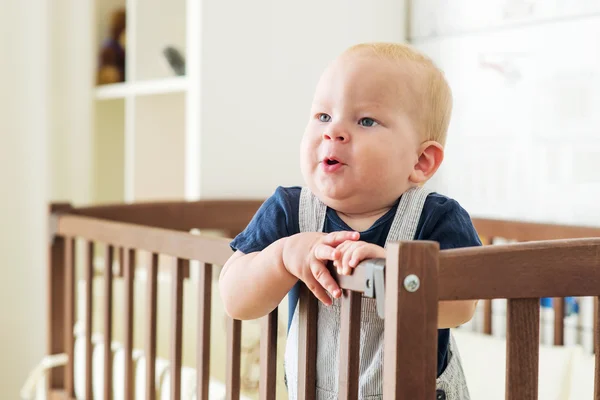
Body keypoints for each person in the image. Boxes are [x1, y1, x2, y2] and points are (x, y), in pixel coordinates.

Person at [218, 42, 480, 399]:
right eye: (323, 116)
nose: (333, 131)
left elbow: (461, 308)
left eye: (365, 120)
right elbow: (235, 298)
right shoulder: (290, 211)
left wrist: (398, 276)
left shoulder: (436, 218)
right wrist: (281, 257)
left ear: (421, 161)